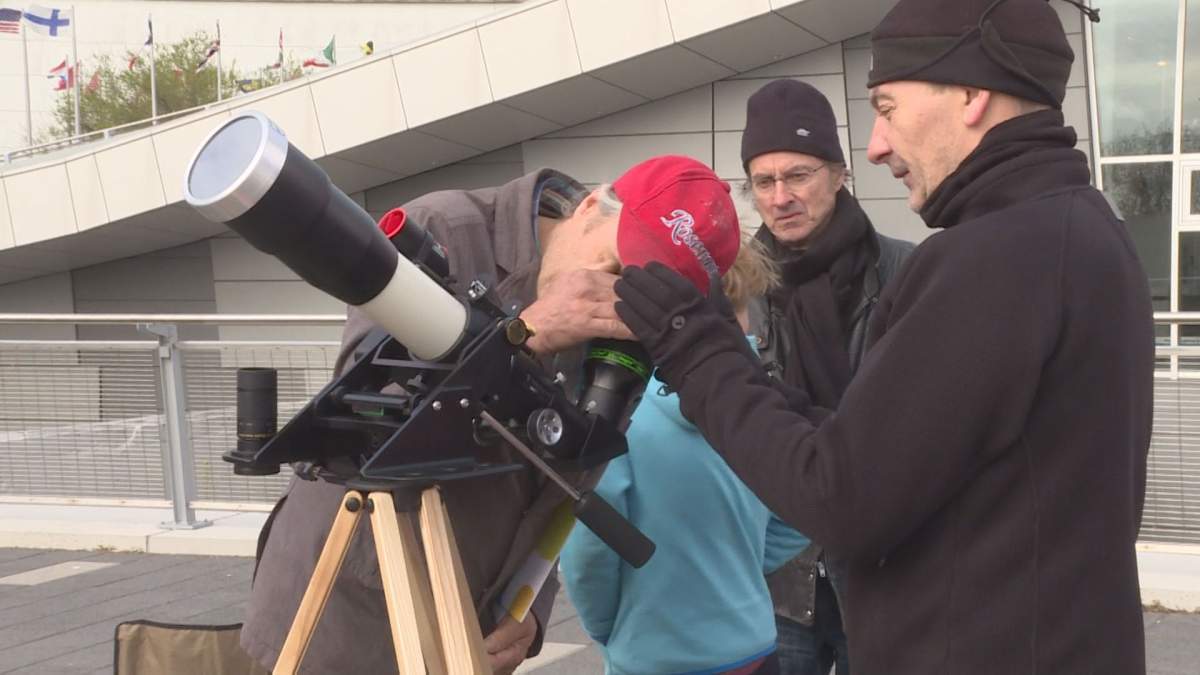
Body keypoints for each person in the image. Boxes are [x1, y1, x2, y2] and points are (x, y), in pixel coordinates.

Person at [612, 1, 1154, 673]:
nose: (876, 145)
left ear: (971, 93)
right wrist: (722, 337)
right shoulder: (1082, 230)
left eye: (888, 107)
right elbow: (877, 451)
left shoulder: (997, 255)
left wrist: (689, 344)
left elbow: (840, 495)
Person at [240, 155, 741, 674]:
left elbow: (568, 481)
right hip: (347, 601)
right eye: (614, 268)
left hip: (471, 625)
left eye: (636, 296)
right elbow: (362, 411)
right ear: (591, 206)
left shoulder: (624, 333)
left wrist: (527, 611)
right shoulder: (444, 230)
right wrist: (527, 333)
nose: (606, 298)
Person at [560, 235, 809, 675]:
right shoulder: (765, 400)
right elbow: (802, 503)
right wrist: (743, 566)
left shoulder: (615, 416)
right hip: (753, 643)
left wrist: (609, 630)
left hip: (654, 654)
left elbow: (589, 550)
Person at [739, 78, 913, 675]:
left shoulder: (908, 272)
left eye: (799, 174)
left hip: (885, 571)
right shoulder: (736, 293)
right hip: (774, 584)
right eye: (765, 181)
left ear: (839, 174)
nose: (781, 196)